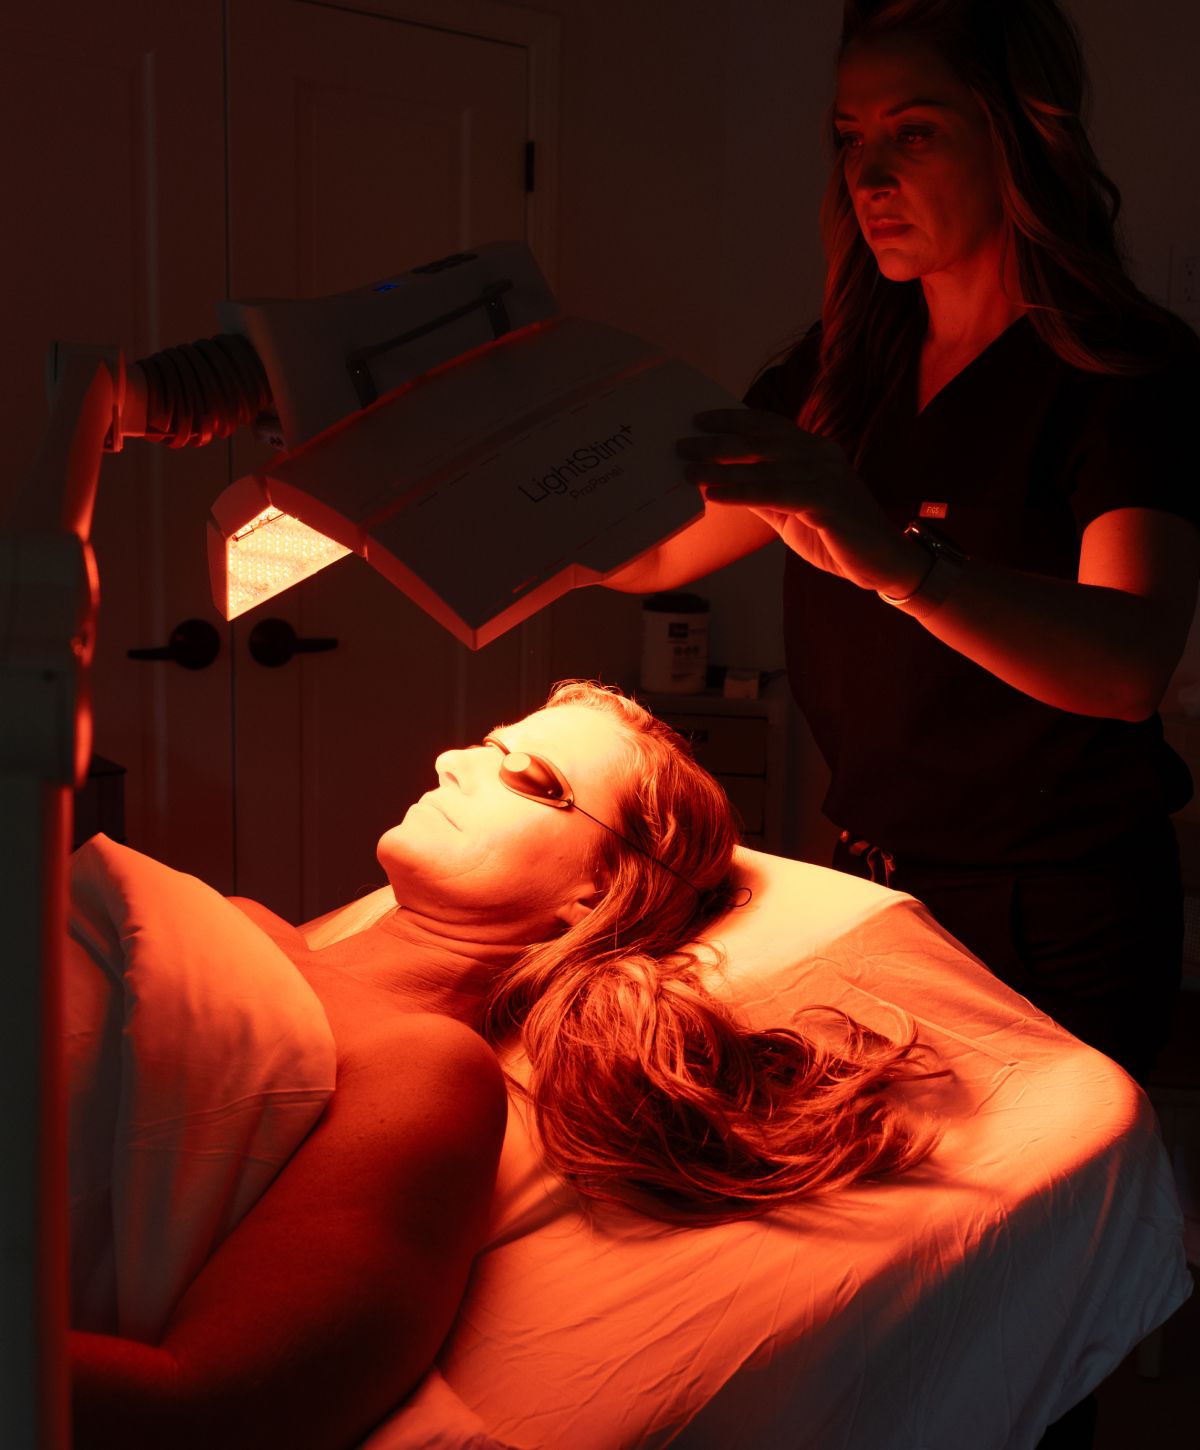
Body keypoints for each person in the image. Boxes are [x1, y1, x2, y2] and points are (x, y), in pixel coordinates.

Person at [70, 680, 938, 1450]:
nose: (451, 761)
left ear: (596, 894)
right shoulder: (234, 923)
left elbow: (213, 1410)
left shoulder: (424, 1070)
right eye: (484, 746)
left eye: (529, 779)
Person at [606, 0, 1200, 1088]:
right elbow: (647, 558)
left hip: (1054, 919)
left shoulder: (1118, 373)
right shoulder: (838, 375)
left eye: (913, 131)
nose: (868, 177)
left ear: (1020, 136)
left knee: (1036, 1243)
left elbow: (1127, 665)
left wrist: (899, 562)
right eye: (850, 138)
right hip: (875, 887)